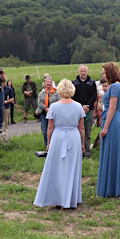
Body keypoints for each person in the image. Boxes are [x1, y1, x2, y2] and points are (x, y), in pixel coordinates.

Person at [34, 79, 85, 209]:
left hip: (58, 137)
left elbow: (50, 127)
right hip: (73, 138)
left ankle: (58, 199)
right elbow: (82, 128)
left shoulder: (54, 107)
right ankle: (71, 199)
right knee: (72, 168)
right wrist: (83, 143)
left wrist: (49, 142)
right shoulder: (78, 106)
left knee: (57, 169)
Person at [97, 62, 120, 198]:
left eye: (104, 73)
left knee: (112, 154)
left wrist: (105, 127)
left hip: (113, 122)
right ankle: (116, 186)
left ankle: (111, 188)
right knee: (117, 154)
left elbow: (112, 108)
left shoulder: (114, 87)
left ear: (110, 73)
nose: (103, 75)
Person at [72, 65, 98, 157]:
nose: (83, 73)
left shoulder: (92, 83)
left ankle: (87, 151)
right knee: (78, 130)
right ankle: (78, 150)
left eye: (85, 71)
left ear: (87, 72)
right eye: (81, 71)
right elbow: (73, 96)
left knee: (87, 131)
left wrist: (87, 106)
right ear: (79, 72)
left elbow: (94, 96)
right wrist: (81, 107)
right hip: (77, 110)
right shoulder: (74, 83)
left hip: (89, 110)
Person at [36, 77, 60, 146]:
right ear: (45, 83)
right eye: (47, 82)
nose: (48, 83)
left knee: (53, 129)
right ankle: (47, 145)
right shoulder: (41, 93)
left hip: (54, 113)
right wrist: (45, 108)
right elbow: (39, 102)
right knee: (44, 130)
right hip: (43, 113)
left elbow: (59, 101)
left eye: (50, 82)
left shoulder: (56, 92)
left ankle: (54, 144)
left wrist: (52, 108)